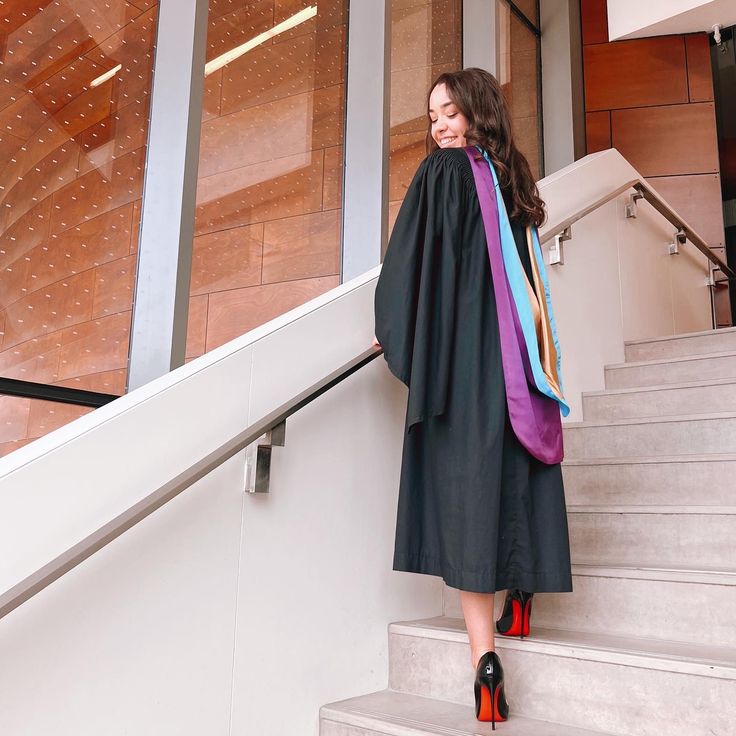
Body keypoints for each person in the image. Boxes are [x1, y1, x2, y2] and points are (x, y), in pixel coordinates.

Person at [373, 68, 572, 728]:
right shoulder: (514, 182)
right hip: (519, 365)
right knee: (514, 479)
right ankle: (522, 595)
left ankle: (485, 662)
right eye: (433, 117)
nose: (440, 127)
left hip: (467, 369)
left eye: (451, 112)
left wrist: (395, 335)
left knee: (468, 501)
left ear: (477, 112)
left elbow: (409, 267)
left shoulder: (442, 175)